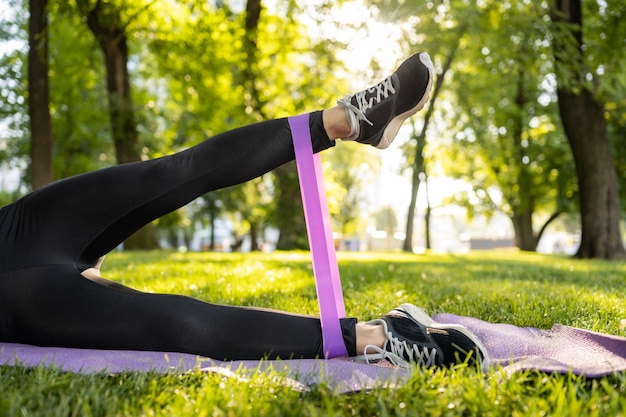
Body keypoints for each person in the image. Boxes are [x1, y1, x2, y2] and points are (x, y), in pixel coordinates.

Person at [0, 52, 488, 371]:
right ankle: (381, 339)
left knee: (170, 173)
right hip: (14, 302)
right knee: (174, 324)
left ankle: (350, 120)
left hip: (15, 227)